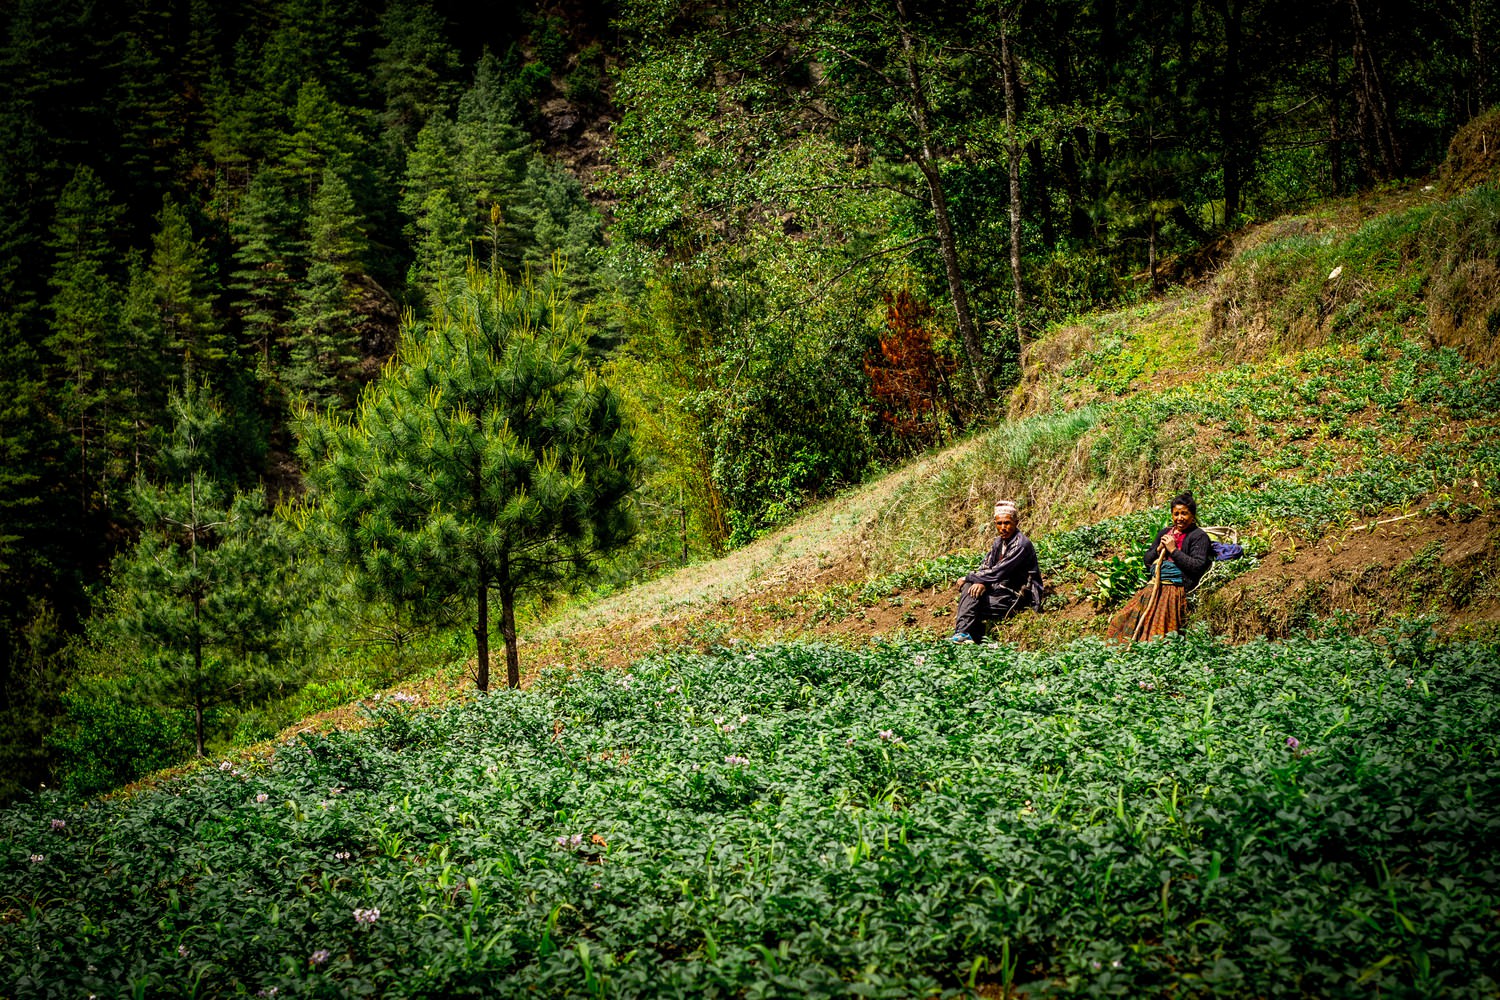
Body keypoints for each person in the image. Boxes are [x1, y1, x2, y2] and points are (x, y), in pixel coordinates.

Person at [1105, 490, 1212, 642]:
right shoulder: (1165, 532)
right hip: (1154, 585)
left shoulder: (1199, 536)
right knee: (1123, 619)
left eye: (1184, 514)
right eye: (1176, 514)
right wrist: (1158, 550)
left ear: (1192, 516)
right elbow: (1147, 560)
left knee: (1157, 630)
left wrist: (1173, 550)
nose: (1179, 518)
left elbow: (1197, 566)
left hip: (1175, 587)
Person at [948, 500, 1045, 644]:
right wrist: (981, 582)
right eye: (999, 524)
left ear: (1016, 522)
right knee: (970, 589)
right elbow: (987, 565)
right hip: (999, 589)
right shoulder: (998, 542)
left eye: (1007, 523)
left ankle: (967, 634)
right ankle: (962, 633)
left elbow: (998, 572)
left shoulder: (1021, 544)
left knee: (971, 602)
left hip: (1019, 595)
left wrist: (970, 577)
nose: (1003, 527)